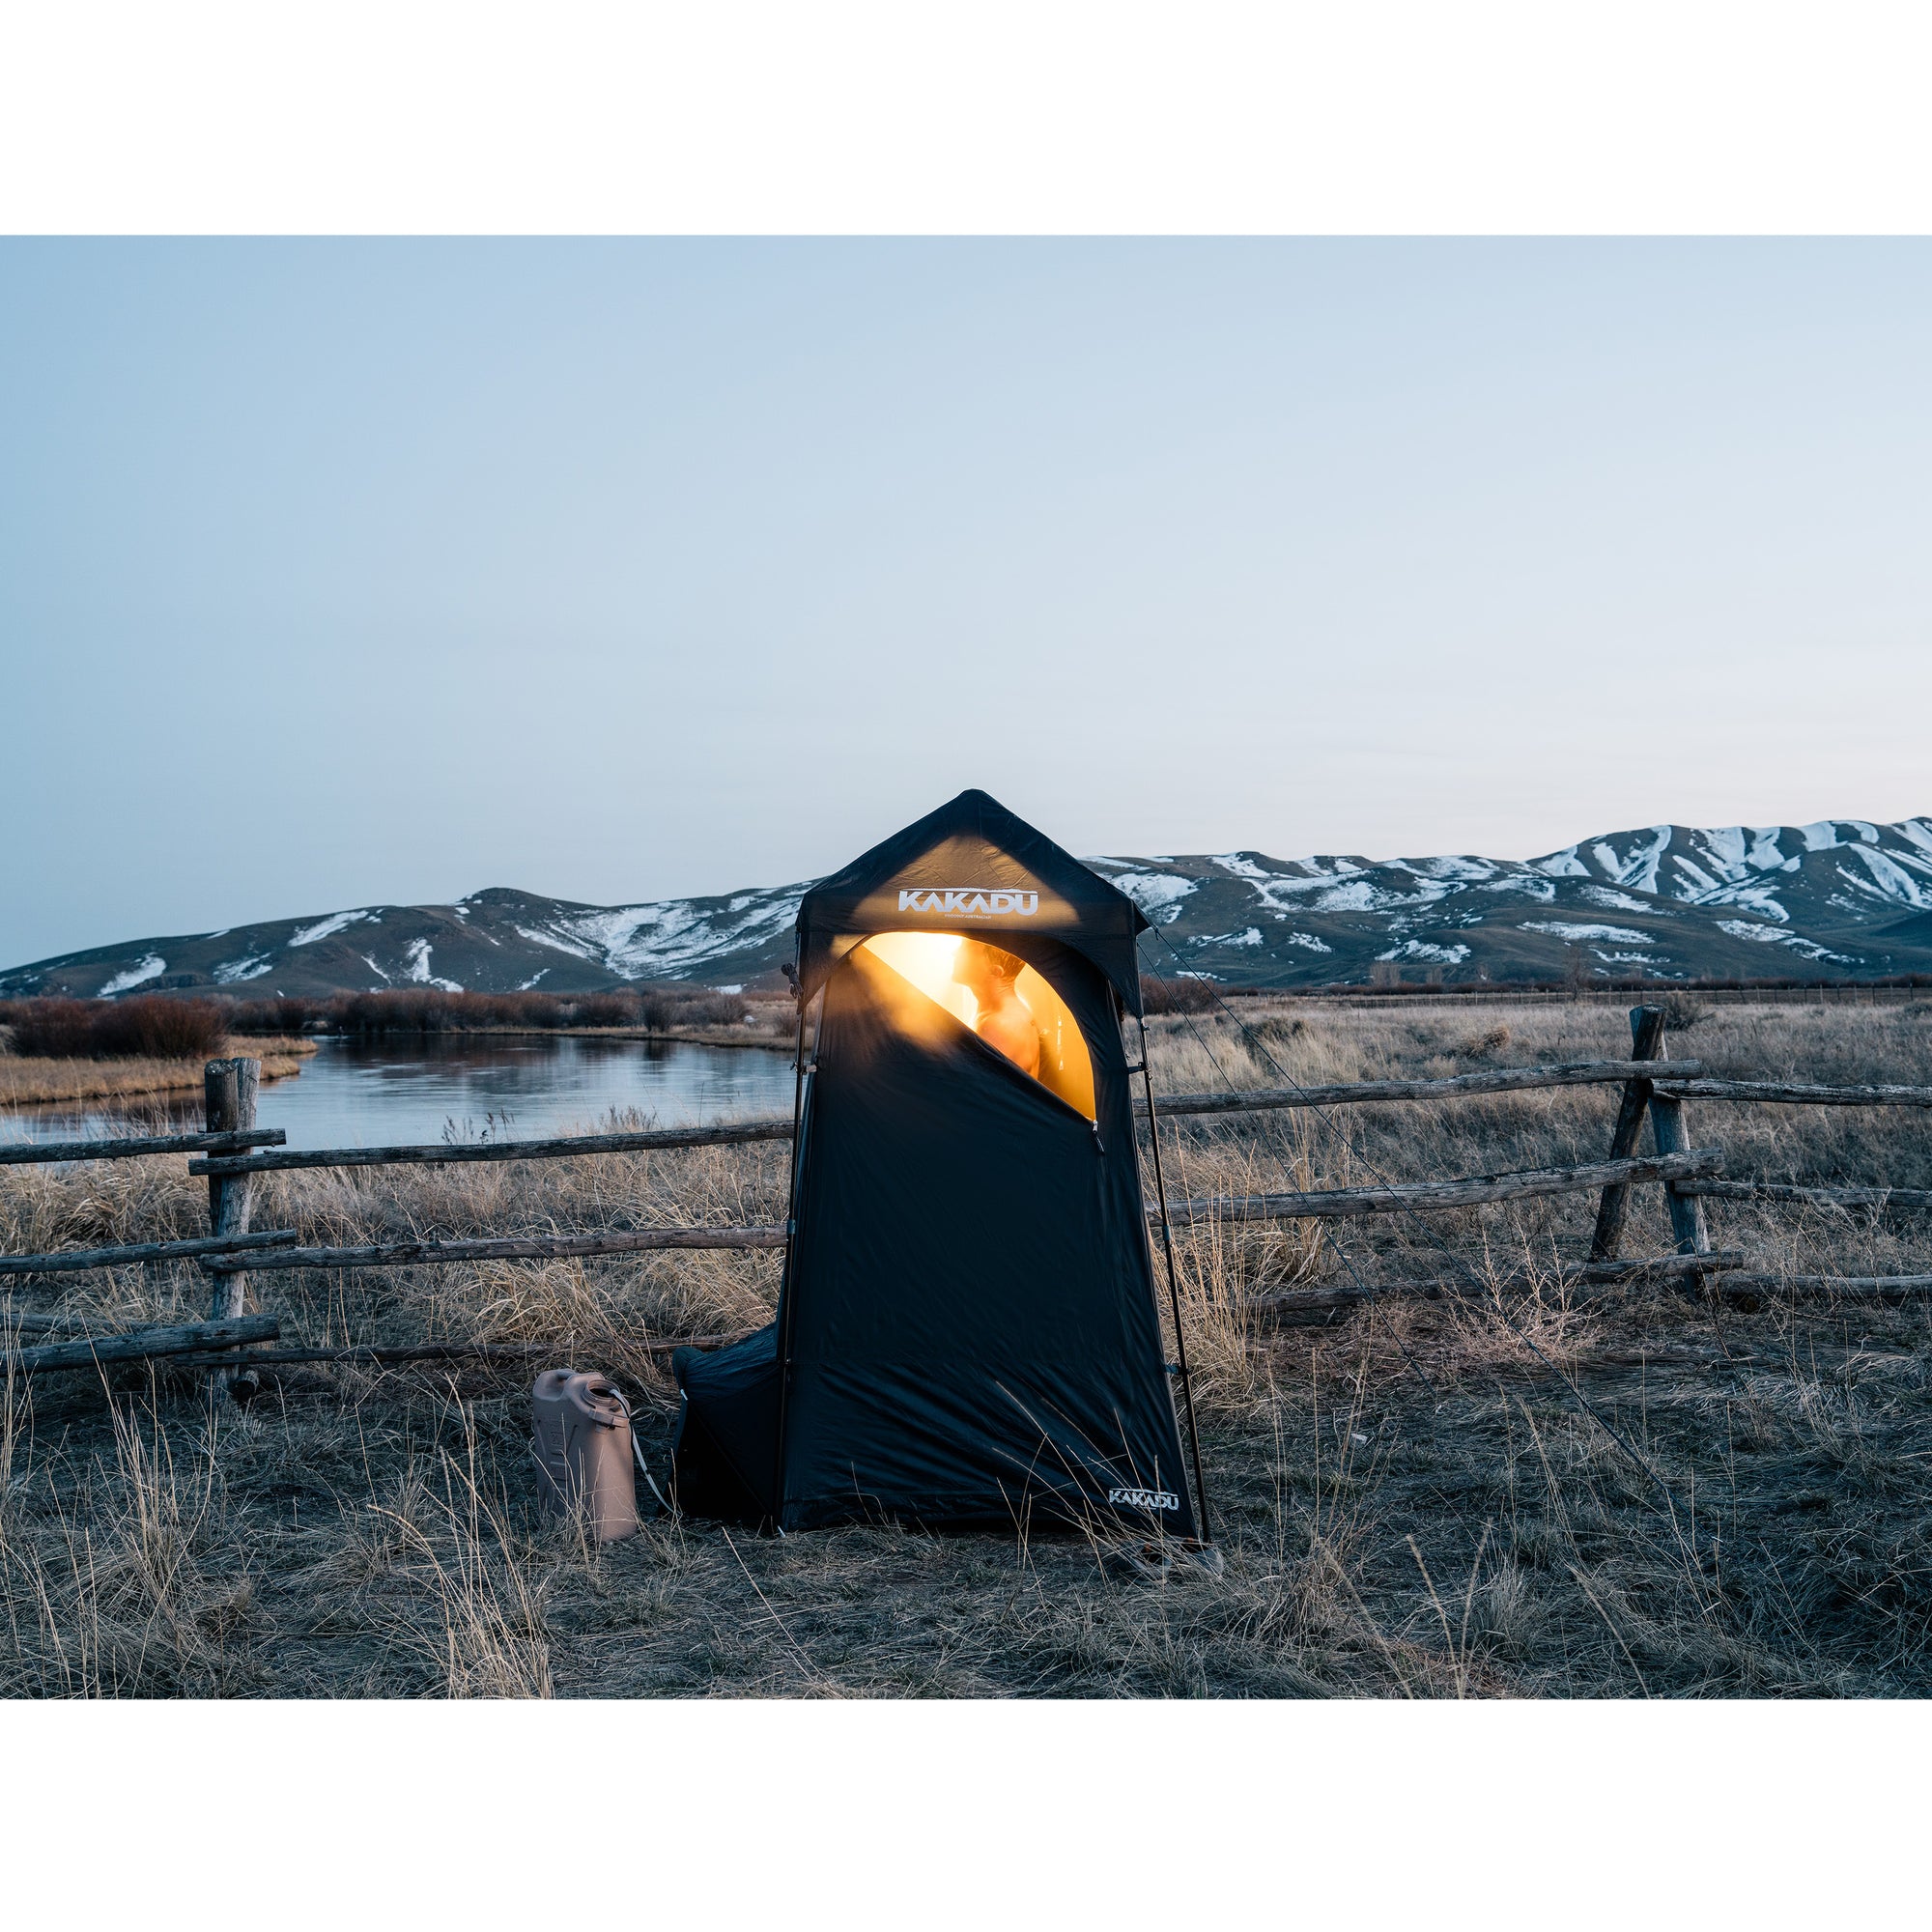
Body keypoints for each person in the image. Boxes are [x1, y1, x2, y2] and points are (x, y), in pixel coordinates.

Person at [952, 940, 1041, 1079]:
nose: (955, 953)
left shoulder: (998, 1026)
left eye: (968, 949)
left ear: (995, 971)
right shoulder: (1002, 1007)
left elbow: (970, 1093)